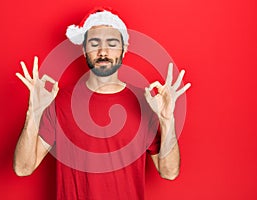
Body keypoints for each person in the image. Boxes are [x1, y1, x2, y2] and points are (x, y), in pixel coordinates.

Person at [13, 7, 191, 200]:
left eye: (112, 43)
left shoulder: (146, 102)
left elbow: (169, 172)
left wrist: (167, 120)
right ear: (83, 49)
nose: (103, 51)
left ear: (124, 49)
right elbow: (23, 168)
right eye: (94, 43)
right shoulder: (60, 101)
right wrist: (34, 113)